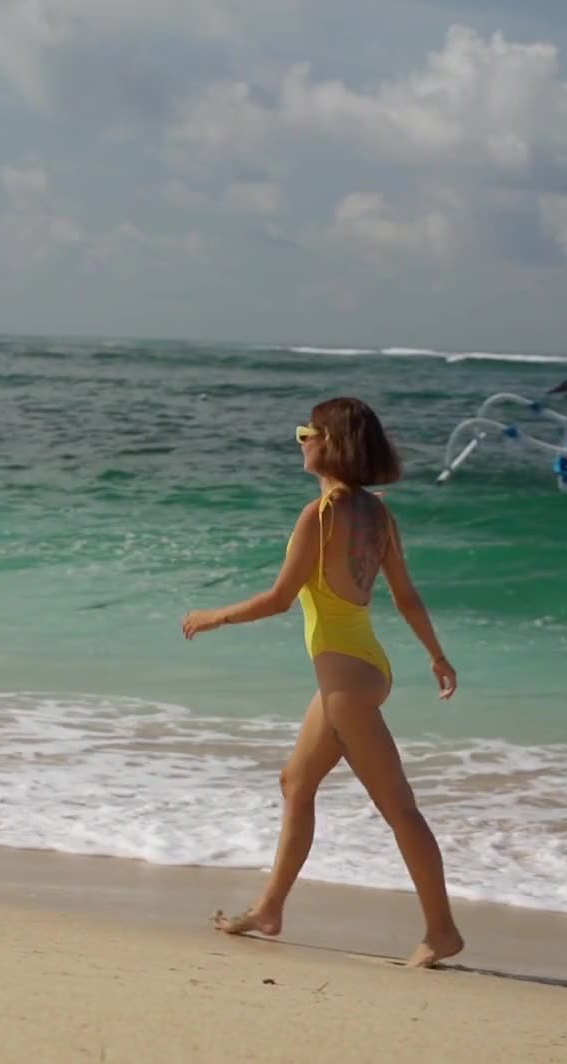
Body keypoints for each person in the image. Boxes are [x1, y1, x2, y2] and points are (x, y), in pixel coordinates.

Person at [180, 396, 464, 968]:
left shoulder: (322, 515)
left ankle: (442, 931)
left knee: (399, 809)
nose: (301, 441)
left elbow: (280, 600)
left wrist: (213, 616)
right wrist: (435, 655)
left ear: (330, 443)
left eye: (306, 432)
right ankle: (269, 908)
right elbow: (405, 595)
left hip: (345, 684)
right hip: (363, 668)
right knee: (296, 782)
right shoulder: (378, 513)